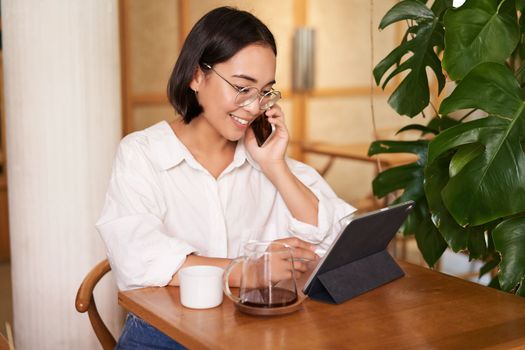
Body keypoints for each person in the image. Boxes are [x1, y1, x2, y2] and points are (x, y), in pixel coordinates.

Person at [96, 6, 356, 349]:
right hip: (164, 336)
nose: (253, 107)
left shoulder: (266, 160)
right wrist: (248, 269)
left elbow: (336, 244)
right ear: (196, 76)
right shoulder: (142, 154)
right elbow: (137, 261)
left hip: (251, 334)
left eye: (265, 92)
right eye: (242, 87)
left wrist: (276, 167)